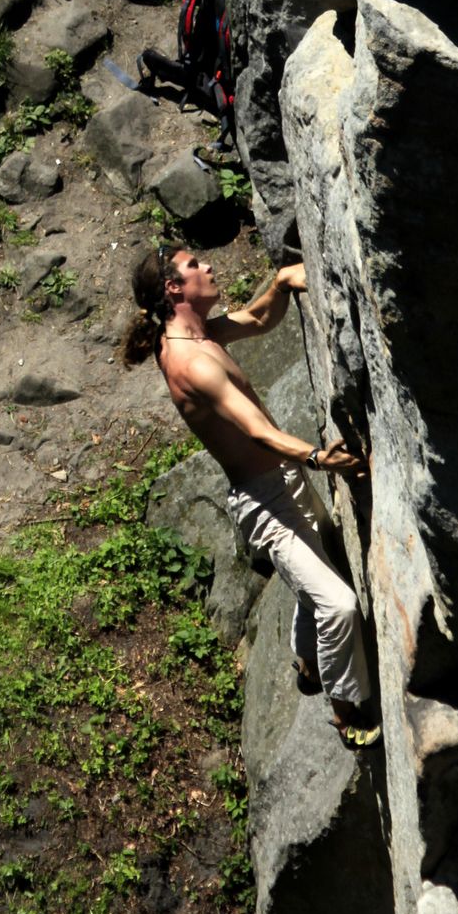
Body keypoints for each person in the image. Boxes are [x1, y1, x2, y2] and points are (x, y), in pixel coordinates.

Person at [122, 245, 381, 749]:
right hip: (265, 502)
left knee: (322, 564)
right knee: (340, 605)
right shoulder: (190, 363)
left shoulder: (197, 333)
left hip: (283, 479)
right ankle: (346, 715)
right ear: (175, 288)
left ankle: (309, 666)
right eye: (196, 265)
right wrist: (317, 456)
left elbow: (259, 318)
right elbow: (258, 430)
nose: (210, 267)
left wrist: (282, 284)